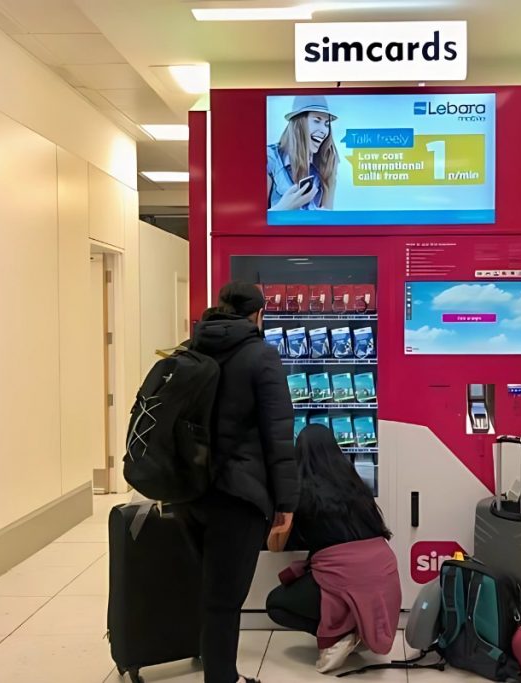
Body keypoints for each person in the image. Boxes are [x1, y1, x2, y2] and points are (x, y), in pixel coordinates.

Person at [178, 283, 299, 683]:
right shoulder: (261, 357)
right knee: (226, 600)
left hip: (190, 491)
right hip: (239, 496)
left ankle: (211, 664)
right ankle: (221, 677)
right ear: (258, 314)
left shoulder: (192, 347)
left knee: (208, 589)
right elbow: (279, 437)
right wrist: (286, 503)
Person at [265, 425, 401, 674]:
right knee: (335, 585)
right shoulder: (356, 485)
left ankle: (341, 634)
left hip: (345, 574)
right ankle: (357, 629)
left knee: (275, 604)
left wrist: (279, 508)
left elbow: (275, 546)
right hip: (383, 571)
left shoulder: (298, 490)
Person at [267, 95, 339, 211]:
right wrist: (283, 207)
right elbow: (254, 220)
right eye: (317, 121)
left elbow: (328, 215)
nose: (323, 131)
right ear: (298, 123)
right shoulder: (271, 157)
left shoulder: (328, 160)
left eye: (326, 124)